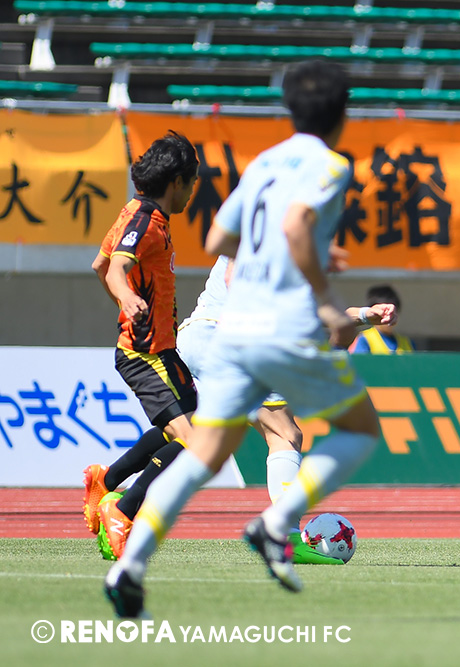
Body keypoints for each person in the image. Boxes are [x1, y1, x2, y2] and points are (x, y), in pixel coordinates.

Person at [105, 59, 383, 619]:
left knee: (206, 452)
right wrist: (325, 294)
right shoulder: (330, 165)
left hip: (218, 337)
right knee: (348, 430)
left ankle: (130, 565)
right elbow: (297, 226)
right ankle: (277, 526)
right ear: (341, 115)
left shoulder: (263, 165)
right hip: (268, 331)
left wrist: (285, 254)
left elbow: (217, 238)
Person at [83, 131, 200, 551]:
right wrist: (127, 298)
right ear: (176, 182)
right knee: (195, 444)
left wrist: (127, 302)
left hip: (161, 349)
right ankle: (124, 509)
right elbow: (115, 269)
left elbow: (99, 264)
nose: (192, 192)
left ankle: (107, 479)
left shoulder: (134, 211)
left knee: (186, 428)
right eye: (192, 183)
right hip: (146, 355)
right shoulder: (145, 223)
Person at [348, 284, 413, 354]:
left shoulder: (407, 342)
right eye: (385, 312)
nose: (388, 317)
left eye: (392, 312)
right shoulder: (364, 339)